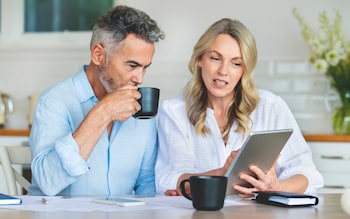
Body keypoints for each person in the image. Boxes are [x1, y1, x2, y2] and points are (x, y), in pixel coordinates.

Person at [155, 18, 323, 198]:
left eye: (236, 63)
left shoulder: (271, 107)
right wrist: (223, 172)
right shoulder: (174, 111)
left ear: (245, 70)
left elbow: (308, 174)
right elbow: (168, 179)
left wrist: (276, 186)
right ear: (199, 60)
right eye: (215, 58)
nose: (223, 71)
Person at [29, 5, 165, 196]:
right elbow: (48, 183)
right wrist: (103, 112)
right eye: (132, 65)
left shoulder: (142, 108)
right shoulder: (54, 101)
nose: (139, 78)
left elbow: (146, 184)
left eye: (145, 67)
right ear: (98, 55)